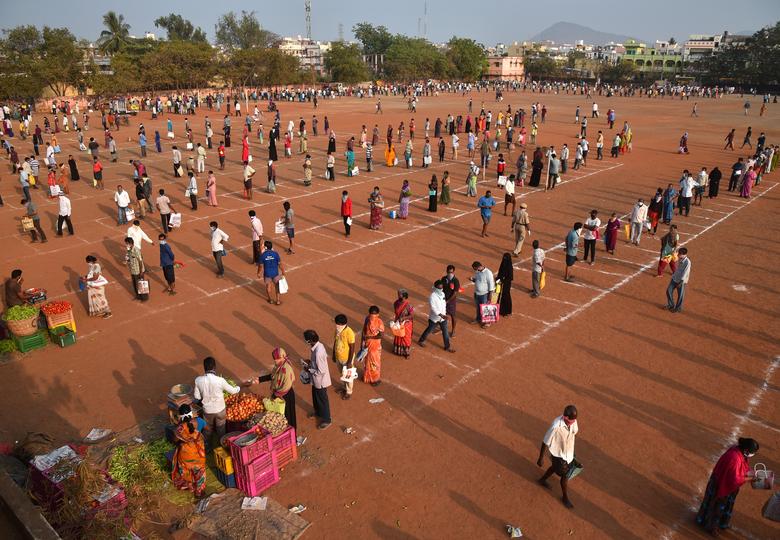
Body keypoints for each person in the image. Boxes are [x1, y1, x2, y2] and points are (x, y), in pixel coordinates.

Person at [695, 437, 759, 534]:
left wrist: (750, 473)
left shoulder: (738, 451)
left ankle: (715, 522)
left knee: (721, 504)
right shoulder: (735, 459)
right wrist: (750, 478)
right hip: (722, 484)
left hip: (723, 481)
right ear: (746, 450)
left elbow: (743, 468)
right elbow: (735, 479)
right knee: (718, 505)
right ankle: (711, 527)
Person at [537, 405, 579, 509]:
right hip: (558, 454)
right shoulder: (556, 426)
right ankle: (565, 497)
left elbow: (574, 433)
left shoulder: (573, 421)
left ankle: (542, 480)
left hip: (568, 453)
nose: (573, 422)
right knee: (565, 475)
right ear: (565, 417)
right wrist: (540, 458)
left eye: (574, 420)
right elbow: (545, 441)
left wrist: (570, 447)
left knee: (555, 468)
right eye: (571, 420)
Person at [193, 356, 241, 448]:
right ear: (214, 367)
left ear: (204, 368)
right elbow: (233, 391)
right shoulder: (220, 380)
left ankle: (207, 447)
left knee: (207, 430)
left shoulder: (198, 380)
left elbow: (197, 397)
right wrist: (238, 387)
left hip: (207, 411)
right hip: (220, 410)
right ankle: (221, 446)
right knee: (221, 429)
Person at [251, 347, 297, 429]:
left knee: (288, 417)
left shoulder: (286, 370)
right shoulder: (278, 366)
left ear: (282, 357)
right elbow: (273, 376)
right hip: (280, 394)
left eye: (277, 359)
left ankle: (293, 436)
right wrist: (260, 379)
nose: (275, 361)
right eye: (275, 359)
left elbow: (285, 387)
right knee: (280, 418)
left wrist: (275, 396)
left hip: (285, 396)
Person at [171, 403, 207, 499]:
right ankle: (199, 492)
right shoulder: (199, 421)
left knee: (187, 470)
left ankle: (191, 486)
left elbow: (175, 440)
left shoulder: (180, 428)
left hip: (185, 455)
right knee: (199, 471)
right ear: (191, 413)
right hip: (198, 455)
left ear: (180, 416)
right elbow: (207, 428)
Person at [303, 330, 332, 430]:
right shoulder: (317, 347)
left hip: (321, 380)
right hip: (316, 380)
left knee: (322, 399)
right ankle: (318, 412)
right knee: (316, 397)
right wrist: (310, 363)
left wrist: (309, 369)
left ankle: (327, 419)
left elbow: (321, 371)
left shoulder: (318, 352)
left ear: (309, 341)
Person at [417, 280, 455, 352]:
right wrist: (441, 315)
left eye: (441, 288)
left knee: (445, 332)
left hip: (443, 317)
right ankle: (421, 340)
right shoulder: (432, 297)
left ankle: (447, 347)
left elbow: (443, 305)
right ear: (435, 287)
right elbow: (433, 308)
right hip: (435, 318)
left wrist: (444, 314)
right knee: (429, 330)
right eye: (439, 288)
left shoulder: (443, 294)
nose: (440, 289)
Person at [332, 315, 356, 400]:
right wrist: (333, 354)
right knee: (342, 374)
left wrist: (349, 362)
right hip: (339, 357)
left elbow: (352, 347)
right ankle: (344, 387)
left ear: (343, 324)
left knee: (348, 375)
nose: (336, 325)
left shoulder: (349, 332)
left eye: (338, 324)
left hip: (347, 359)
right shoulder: (338, 330)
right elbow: (335, 341)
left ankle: (349, 391)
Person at [361, 306, 384, 386]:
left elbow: (380, 335)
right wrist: (362, 343)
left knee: (372, 362)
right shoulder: (368, 319)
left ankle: (369, 377)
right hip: (369, 345)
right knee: (371, 362)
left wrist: (369, 337)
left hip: (374, 346)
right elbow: (364, 331)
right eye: (371, 315)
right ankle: (373, 379)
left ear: (378, 314)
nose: (372, 317)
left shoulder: (379, 322)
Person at [258, 241, 285, 305]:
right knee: (277, 286)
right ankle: (278, 300)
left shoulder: (263, 255)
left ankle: (270, 300)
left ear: (265, 247)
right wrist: (283, 271)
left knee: (268, 286)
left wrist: (258, 273)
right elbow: (279, 264)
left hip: (267, 274)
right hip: (275, 273)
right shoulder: (275, 254)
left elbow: (260, 266)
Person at [470, 261, 496, 328]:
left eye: (475, 268)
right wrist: (473, 279)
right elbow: (477, 280)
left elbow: (491, 285)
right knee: (478, 308)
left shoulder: (488, 273)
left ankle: (488, 322)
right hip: (477, 293)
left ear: (478, 267)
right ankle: (478, 319)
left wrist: (490, 296)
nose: (475, 270)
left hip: (485, 294)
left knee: (486, 308)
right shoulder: (477, 272)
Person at [666, 247, 691, 313]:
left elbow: (686, 273)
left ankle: (678, 308)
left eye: (679, 253)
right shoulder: (680, 258)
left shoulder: (687, 262)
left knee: (680, 295)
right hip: (674, 278)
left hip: (681, 281)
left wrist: (681, 282)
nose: (678, 254)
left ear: (684, 254)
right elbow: (674, 259)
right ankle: (671, 305)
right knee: (668, 291)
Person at [392, 289, 414, 358]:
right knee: (398, 336)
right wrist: (396, 321)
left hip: (406, 325)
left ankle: (406, 353)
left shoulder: (409, 305)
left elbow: (411, 315)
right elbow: (396, 313)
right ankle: (398, 351)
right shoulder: (396, 303)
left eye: (399, 295)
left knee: (406, 338)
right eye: (398, 294)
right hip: (399, 323)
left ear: (404, 296)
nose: (398, 296)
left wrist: (403, 318)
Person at [441, 265, 460, 337]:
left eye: (451, 272)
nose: (450, 273)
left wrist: (448, 301)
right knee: (443, 313)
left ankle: (453, 330)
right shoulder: (443, 278)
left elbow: (455, 293)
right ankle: (442, 327)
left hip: (451, 300)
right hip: (443, 300)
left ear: (453, 272)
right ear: (446, 271)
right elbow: (441, 288)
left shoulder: (456, 281)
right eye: (449, 272)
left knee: (453, 315)